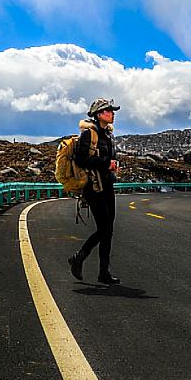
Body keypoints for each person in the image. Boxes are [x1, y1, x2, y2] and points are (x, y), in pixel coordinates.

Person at [69, 98, 122, 285]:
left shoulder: (108, 134)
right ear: (99, 114)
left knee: (108, 230)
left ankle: (103, 272)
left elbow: (109, 158)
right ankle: (79, 257)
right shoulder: (88, 135)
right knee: (105, 228)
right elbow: (81, 160)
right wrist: (106, 163)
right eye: (109, 111)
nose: (112, 113)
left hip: (107, 185)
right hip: (93, 187)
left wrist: (113, 165)